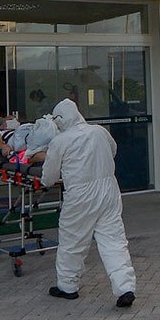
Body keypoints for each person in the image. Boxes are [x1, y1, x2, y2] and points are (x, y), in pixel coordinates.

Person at [41, 98, 137, 308]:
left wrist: (45, 182)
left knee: (72, 241)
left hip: (80, 195)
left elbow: (49, 176)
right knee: (114, 240)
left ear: (59, 120)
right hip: (109, 190)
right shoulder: (99, 131)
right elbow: (113, 150)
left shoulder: (60, 141)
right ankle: (125, 288)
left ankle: (67, 286)